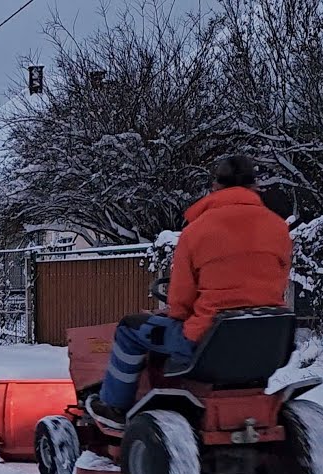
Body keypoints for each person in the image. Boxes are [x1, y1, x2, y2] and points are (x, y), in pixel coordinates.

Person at [86, 155, 293, 430]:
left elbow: (180, 304)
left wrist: (181, 314)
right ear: (255, 186)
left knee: (129, 329)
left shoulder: (197, 231)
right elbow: (277, 282)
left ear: (215, 186)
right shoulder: (279, 228)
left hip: (210, 343)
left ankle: (113, 407)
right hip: (267, 339)